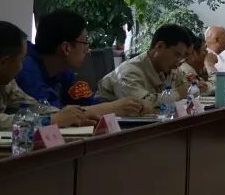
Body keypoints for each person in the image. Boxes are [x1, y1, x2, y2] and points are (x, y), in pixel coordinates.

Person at [0, 20, 98, 131]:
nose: (23, 66)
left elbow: (28, 105)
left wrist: (69, 115)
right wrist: (52, 120)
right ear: (4, 62)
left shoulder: (1, 78)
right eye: (21, 60)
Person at [16, 10, 147, 116]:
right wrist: (112, 108)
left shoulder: (63, 71)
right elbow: (52, 115)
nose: (87, 50)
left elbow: (86, 103)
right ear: (66, 48)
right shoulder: (26, 70)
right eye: (84, 43)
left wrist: (127, 106)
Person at [98, 24, 192, 105]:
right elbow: (141, 106)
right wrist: (177, 94)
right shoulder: (128, 73)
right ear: (159, 46)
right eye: (177, 55)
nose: (179, 63)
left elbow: (188, 90)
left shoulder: (169, 69)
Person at [177, 32, 213, 96]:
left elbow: (204, 87)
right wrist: (210, 65)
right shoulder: (185, 68)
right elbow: (216, 88)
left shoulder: (191, 69)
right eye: (205, 50)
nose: (207, 54)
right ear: (193, 53)